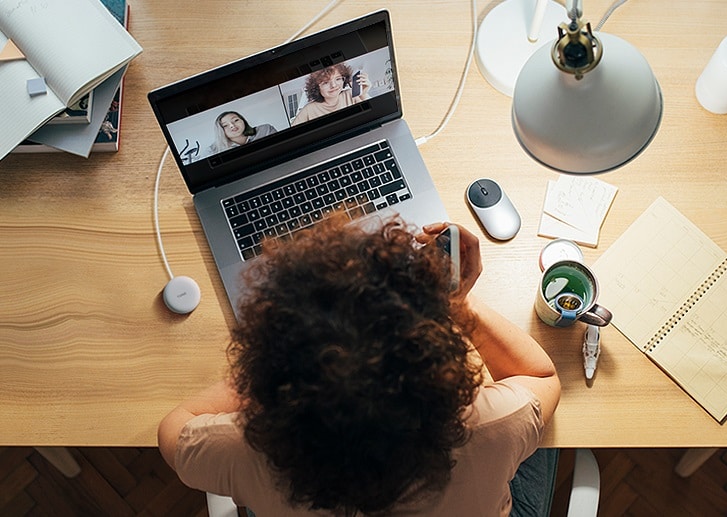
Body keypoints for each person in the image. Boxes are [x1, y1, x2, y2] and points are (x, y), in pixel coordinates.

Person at [158, 216, 561, 516]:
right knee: (548, 439)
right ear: (439, 373)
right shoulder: (492, 426)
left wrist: (266, 371)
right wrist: (457, 304)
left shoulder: (245, 451)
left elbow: (174, 427)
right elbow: (541, 376)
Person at [291, 63, 371, 125]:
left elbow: (373, 115)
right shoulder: (308, 110)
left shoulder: (352, 95)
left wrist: (363, 95)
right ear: (316, 88)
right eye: (325, 83)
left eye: (338, 79)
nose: (334, 85)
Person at [210, 111, 277, 154]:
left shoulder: (265, 129)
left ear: (243, 121)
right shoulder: (213, 150)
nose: (232, 126)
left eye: (236, 120)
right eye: (225, 125)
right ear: (220, 131)